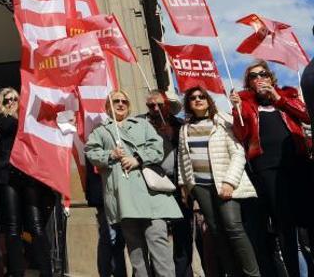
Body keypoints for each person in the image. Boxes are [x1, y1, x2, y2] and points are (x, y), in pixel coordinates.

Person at [85, 89, 182, 277]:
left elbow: (158, 148)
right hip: (124, 197)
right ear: (107, 107)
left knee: (159, 248)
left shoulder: (143, 125)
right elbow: (91, 153)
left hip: (151, 196)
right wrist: (110, 154)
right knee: (136, 254)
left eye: (125, 102)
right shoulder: (100, 131)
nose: (120, 104)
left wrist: (137, 158)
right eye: (116, 101)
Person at [232, 61, 312, 277]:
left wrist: (279, 99)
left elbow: (307, 115)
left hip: (298, 164)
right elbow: (241, 134)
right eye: (253, 76)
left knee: (308, 219)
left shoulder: (288, 96)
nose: (259, 78)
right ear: (249, 83)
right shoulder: (246, 104)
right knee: (285, 225)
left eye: (263, 74)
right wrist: (237, 109)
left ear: (271, 78)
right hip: (267, 169)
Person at [176, 86, 260, 276]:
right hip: (199, 186)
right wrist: (185, 185)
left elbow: (238, 153)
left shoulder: (222, 121)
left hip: (224, 184)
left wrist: (229, 182)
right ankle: (233, 273)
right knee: (216, 232)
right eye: (193, 98)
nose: (197, 99)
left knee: (233, 227)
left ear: (208, 100)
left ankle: (253, 273)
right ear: (188, 104)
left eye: (202, 96)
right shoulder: (184, 128)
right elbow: (183, 158)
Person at [0, 87, 57, 276]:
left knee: (35, 226)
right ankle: (17, 272)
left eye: (14, 99)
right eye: (6, 100)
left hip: (28, 176)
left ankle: (47, 271)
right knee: (12, 227)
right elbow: (8, 127)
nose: (10, 102)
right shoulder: (3, 120)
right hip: (7, 175)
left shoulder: (29, 121)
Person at [145, 90, 194, 277]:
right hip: (152, 186)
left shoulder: (180, 125)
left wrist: (173, 135)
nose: (156, 108)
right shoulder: (142, 124)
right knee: (154, 234)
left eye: (160, 104)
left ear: (167, 105)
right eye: (151, 105)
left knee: (183, 233)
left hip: (177, 185)